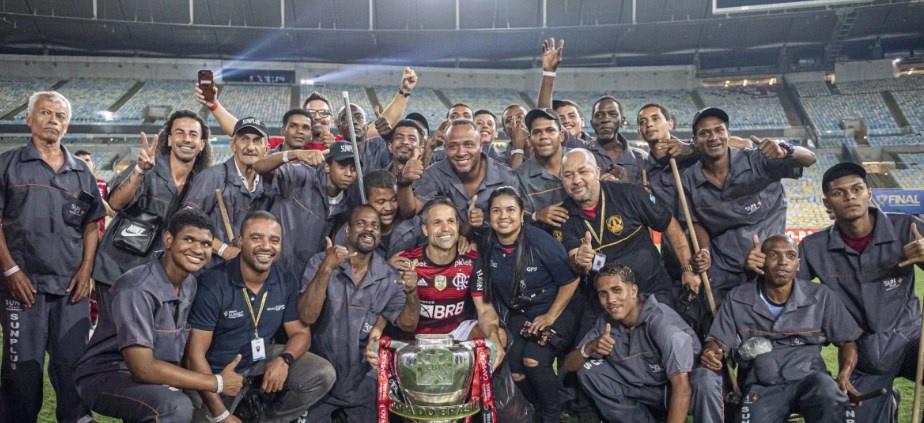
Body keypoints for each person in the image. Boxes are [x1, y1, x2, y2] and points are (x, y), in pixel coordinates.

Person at [74, 209, 244, 423]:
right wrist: (216, 382)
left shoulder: (189, 283)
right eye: (189, 239)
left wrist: (221, 414)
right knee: (174, 406)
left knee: (190, 403)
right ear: (169, 240)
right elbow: (142, 368)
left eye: (206, 244)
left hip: (157, 375)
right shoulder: (137, 287)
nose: (198, 249)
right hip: (108, 374)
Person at [788, 162, 924, 422]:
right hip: (863, 352)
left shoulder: (906, 227)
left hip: (912, 339)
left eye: (856, 189)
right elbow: (785, 290)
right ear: (827, 203)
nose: (850, 196)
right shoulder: (814, 247)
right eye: (839, 193)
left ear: (868, 193)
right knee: (854, 416)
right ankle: (888, 401)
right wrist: (759, 267)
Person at [0, 91, 105, 423]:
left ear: (68, 124)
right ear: (29, 119)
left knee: (74, 371)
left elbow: (92, 225)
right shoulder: (7, 164)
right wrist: (11, 269)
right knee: (22, 376)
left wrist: (87, 270)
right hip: (23, 289)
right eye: (45, 113)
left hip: (70, 291)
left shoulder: (81, 172)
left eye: (59, 116)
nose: (52, 120)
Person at [186, 211, 335, 423]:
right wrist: (222, 414)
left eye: (274, 240)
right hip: (216, 373)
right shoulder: (213, 284)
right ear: (240, 241)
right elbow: (195, 357)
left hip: (258, 361)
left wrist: (284, 360)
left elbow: (301, 333)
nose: (266, 246)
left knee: (322, 373)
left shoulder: (284, 279)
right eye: (256, 238)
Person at [696, 234, 861, 423]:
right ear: (762, 262)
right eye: (774, 255)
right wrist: (712, 352)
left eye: (790, 256)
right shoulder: (738, 298)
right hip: (762, 385)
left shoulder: (821, 296)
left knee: (833, 399)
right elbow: (717, 341)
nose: (783, 262)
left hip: (811, 379)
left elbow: (848, 340)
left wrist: (844, 374)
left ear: (798, 264)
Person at [680, 107, 815, 302]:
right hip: (724, 272)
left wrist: (785, 149)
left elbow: (810, 159)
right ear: (695, 141)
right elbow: (696, 223)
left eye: (719, 130)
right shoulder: (689, 180)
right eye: (704, 133)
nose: (713, 137)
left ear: (729, 134)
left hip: (769, 267)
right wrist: (704, 251)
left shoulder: (758, 160)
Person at [298, 206, 420, 422]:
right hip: (321, 380)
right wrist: (327, 268)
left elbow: (408, 325)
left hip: (364, 383)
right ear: (348, 230)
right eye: (361, 223)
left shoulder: (389, 276)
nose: (369, 229)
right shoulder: (321, 262)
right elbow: (307, 316)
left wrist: (412, 292)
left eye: (375, 225)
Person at [474, 187, 580, 422]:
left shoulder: (541, 241)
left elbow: (571, 282)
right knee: (516, 370)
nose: (504, 216)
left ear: (522, 214)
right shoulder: (486, 244)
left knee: (533, 360)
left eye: (510, 210)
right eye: (496, 211)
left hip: (559, 307)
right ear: (489, 216)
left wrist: (550, 317)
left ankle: (553, 414)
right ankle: (536, 409)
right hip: (521, 312)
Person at [93, 110, 211, 310]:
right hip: (118, 269)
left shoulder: (201, 183)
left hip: (159, 277)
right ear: (170, 140)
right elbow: (114, 204)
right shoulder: (149, 166)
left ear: (202, 144)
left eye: (193, 135)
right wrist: (140, 171)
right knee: (114, 338)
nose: (186, 139)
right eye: (180, 133)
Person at [560, 148, 706, 306]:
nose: (576, 180)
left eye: (583, 171)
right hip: (606, 302)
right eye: (568, 175)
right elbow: (576, 260)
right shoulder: (563, 217)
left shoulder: (629, 194)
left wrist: (687, 269)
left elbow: (669, 224)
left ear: (597, 172)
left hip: (652, 291)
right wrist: (581, 262)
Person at [563, 263, 701, 423]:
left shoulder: (662, 322)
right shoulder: (605, 323)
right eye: (603, 294)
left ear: (633, 291)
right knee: (588, 370)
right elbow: (569, 365)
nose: (611, 300)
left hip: (679, 391)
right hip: (641, 390)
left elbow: (682, 388)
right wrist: (589, 348)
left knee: (705, 380)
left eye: (616, 290)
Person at [384, 197, 504, 346]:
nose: (445, 228)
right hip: (417, 337)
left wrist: (494, 341)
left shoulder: (471, 260)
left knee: (499, 335)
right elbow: (407, 325)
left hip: (456, 332)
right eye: (437, 222)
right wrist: (411, 290)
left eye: (450, 221)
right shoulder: (406, 263)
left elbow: (485, 310)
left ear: (458, 226)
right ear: (425, 230)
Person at [261, 141, 359, 279]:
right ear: (327, 166)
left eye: (354, 168)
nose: (349, 173)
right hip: (272, 269)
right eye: (342, 166)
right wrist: (295, 154)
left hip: (307, 277)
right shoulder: (302, 176)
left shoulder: (350, 202)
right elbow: (259, 166)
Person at [397, 119, 518, 231]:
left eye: (468, 145)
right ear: (445, 148)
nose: (461, 153)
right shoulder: (435, 174)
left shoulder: (506, 177)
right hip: (448, 246)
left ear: (481, 146)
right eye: (453, 146)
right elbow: (409, 213)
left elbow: (518, 221)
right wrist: (404, 183)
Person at [183, 117, 271, 265]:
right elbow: (185, 221)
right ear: (233, 145)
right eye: (244, 139)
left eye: (257, 141)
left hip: (247, 273)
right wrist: (223, 249)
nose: (250, 147)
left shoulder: (268, 183)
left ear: (266, 149)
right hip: (212, 271)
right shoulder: (212, 177)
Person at [515, 108, 570, 238]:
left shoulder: (580, 160)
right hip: (545, 243)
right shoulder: (521, 177)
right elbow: (517, 220)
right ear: (529, 139)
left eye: (550, 130)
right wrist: (536, 216)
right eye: (537, 132)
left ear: (561, 136)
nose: (543, 136)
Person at [587, 96, 648, 184]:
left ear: (622, 121)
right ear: (592, 123)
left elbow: (647, 195)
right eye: (599, 115)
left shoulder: (641, 159)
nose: (605, 119)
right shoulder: (583, 155)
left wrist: (625, 184)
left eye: (613, 114)